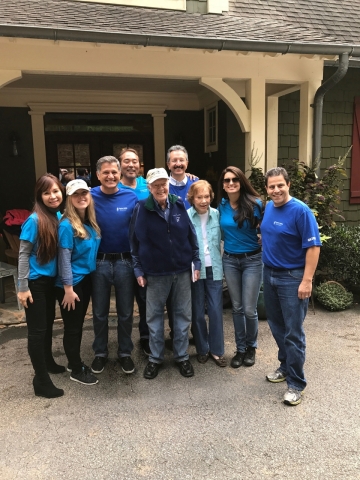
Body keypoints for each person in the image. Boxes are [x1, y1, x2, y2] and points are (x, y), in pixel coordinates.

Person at [130, 168, 201, 379]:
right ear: (149, 187)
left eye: (164, 184)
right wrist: (138, 268)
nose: (161, 188)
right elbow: (133, 242)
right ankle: (155, 358)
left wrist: (195, 261)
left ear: (168, 184)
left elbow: (191, 235)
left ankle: (181, 357)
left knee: (182, 315)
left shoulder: (179, 203)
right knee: (154, 318)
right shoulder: (141, 207)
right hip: (155, 273)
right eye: (156, 185)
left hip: (181, 271)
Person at [261, 167, 321, 406]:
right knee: (276, 326)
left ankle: (296, 384)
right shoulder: (268, 207)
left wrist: (306, 280)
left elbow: (314, 247)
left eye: (280, 185)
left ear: (288, 185)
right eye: (271, 186)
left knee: (293, 333)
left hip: (292, 278)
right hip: (270, 274)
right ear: (267, 189)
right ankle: (285, 367)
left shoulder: (300, 211)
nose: (276, 190)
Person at [17, 174, 65, 398]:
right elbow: (23, 254)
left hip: (48, 283)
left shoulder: (56, 215)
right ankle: (41, 380)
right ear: (39, 196)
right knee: (37, 332)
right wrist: (22, 286)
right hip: (34, 284)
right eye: (47, 193)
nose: (52, 196)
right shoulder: (34, 220)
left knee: (46, 326)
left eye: (56, 191)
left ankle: (48, 362)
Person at [90, 156, 138, 375]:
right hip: (99, 261)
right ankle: (100, 353)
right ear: (98, 174)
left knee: (126, 312)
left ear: (120, 174)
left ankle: (125, 353)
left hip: (124, 261)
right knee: (99, 312)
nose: (110, 176)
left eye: (114, 172)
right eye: (105, 172)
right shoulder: (88, 197)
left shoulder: (131, 196)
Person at [55, 179, 101, 386]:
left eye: (85, 193)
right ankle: (75, 368)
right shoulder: (66, 225)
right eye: (76, 194)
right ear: (69, 199)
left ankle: (74, 362)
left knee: (78, 324)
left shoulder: (89, 222)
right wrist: (68, 288)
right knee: (73, 327)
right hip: (71, 284)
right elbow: (64, 258)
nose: (81, 197)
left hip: (85, 279)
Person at [218, 166, 263, 369]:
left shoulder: (255, 204)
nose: (230, 183)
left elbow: (267, 229)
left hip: (252, 260)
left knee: (249, 309)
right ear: (223, 185)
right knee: (236, 308)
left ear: (241, 182)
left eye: (234, 180)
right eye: (226, 180)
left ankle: (252, 347)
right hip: (230, 260)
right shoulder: (222, 205)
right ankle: (241, 349)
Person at [187, 180, 226, 367]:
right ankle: (202, 348)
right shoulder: (186, 216)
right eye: (199, 197)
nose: (203, 200)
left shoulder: (217, 215)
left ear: (211, 197)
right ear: (192, 198)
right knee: (197, 312)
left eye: (206, 196)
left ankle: (217, 350)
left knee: (216, 310)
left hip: (215, 268)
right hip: (195, 270)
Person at [118, 147, 151, 356]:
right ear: (120, 165)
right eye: (127, 161)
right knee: (124, 305)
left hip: (143, 253)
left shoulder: (147, 186)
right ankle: (124, 346)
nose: (131, 164)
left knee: (145, 299)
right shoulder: (112, 187)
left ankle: (146, 338)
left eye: (135, 161)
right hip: (120, 255)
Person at [167, 145, 198, 209]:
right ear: (168, 165)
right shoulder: (163, 186)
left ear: (187, 163)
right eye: (174, 160)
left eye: (181, 160)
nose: (178, 164)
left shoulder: (196, 183)